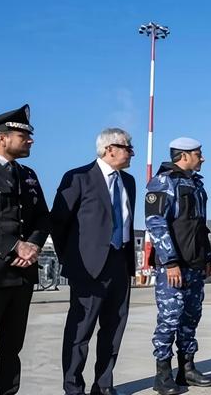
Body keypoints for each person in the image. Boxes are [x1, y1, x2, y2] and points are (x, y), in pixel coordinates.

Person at [51, 128, 137, 395]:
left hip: (119, 263)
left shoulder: (129, 182)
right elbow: (58, 223)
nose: (131, 152)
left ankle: (103, 385)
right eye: (127, 147)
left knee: (114, 328)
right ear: (109, 149)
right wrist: (72, 261)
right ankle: (73, 387)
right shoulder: (79, 177)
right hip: (87, 268)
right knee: (80, 331)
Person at [145, 138, 211, 394]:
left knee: (190, 318)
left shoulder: (196, 184)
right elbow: (156, 223)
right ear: (184, 156)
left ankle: (186, 369)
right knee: (170, 318)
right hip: (173, 267)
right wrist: (170, 262)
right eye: (199, 153)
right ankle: (162, 375)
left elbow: (200, 225)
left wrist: (207, 258)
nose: (203, 158)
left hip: (195, 264)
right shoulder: (164, 182)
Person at [0, 105, 50, 395]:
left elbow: (42, 217)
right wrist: (14, 246)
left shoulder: (28, 175)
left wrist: (34, 245)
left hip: (23, 275)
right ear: (2, 138)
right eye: (23, 134)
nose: (30, 140)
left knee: (12, 349)